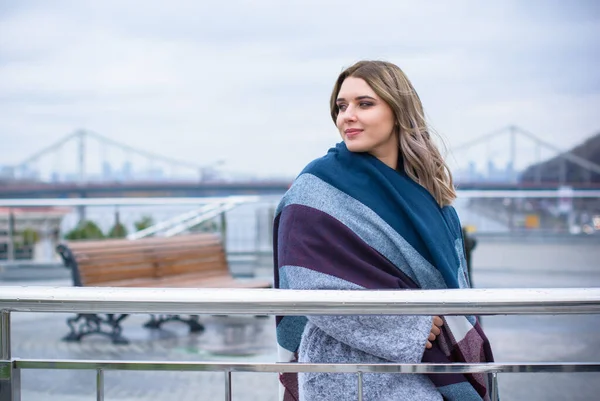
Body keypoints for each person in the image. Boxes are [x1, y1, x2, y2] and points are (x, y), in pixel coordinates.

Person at [273, 60, 494, 401]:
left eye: (365, 104)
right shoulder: (315, 188)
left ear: (399, 111)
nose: (347, 115)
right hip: (345, 370)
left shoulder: (426, 192)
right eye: (341, 106)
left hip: (433, 362)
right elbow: (307, 286)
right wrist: (410, 325)